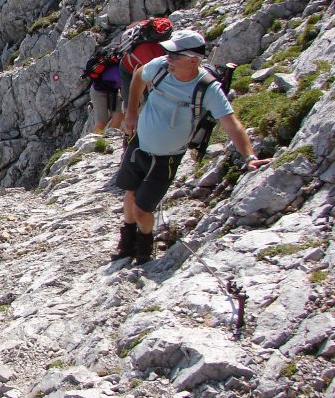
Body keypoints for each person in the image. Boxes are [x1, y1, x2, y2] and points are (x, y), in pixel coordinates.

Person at [113, 29, 270, 264]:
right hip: (139, 144)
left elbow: (231, 123)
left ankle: (144, 247)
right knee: (130, 191)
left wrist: (249, 156)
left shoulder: (207, 88)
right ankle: (127, 242)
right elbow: (138, 76)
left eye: (174, 55)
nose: (169, 58)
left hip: (166, 158)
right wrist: (132, 111)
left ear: (193, 60)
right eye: (168, 53)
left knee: (142, 209)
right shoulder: (160, 67)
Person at [90, 61, 124, 133]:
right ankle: (95, 142)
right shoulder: (120, 73)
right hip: (98, 92)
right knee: (102, 122)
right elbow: (124, 91)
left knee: (118, 116)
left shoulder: (122, 69)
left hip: (113, 91)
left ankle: (106, 140)